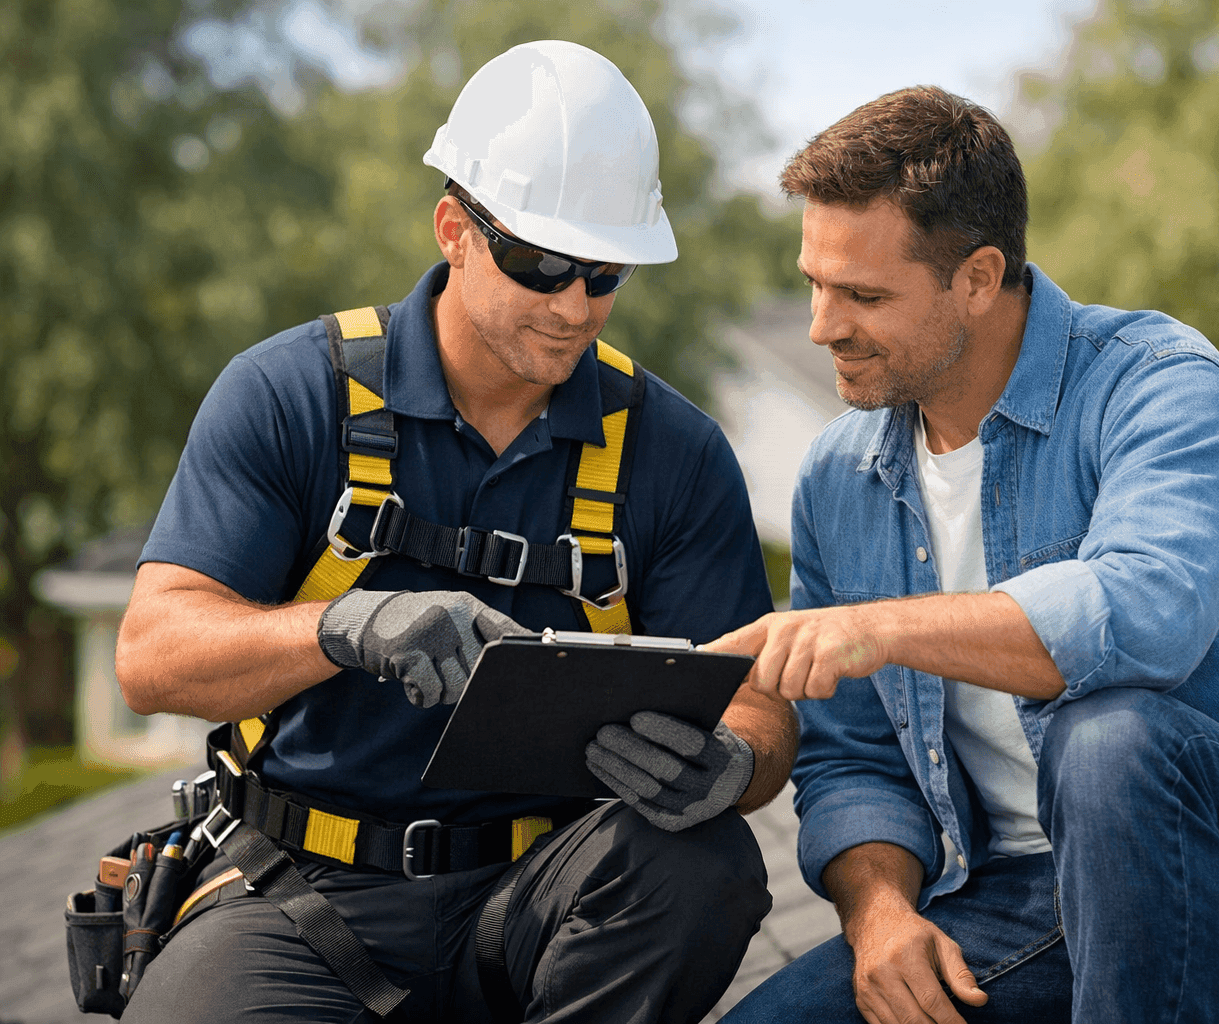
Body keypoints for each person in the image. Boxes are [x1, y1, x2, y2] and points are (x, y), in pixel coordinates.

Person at [710, 86, 1219, 1024]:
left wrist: (876, 629)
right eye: (815, 282)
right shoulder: (837, 482)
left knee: (1108, 739)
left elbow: (1144, 617)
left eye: (863, 294)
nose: (821, 324)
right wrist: (883, 915)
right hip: (1023, 895)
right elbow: (853, 760)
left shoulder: (1158, 383)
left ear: (976, 277)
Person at [114, 40, 796, 1024]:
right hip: (298, 889)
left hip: (544, 903)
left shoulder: (672, 452)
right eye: (539, 261)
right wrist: (336, 628)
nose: (573, 306)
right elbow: (148, 655)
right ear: (454, 229)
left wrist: (733, 764)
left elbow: (758, 706)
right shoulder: (291, 394)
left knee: (702, 861)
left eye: (604, 272)